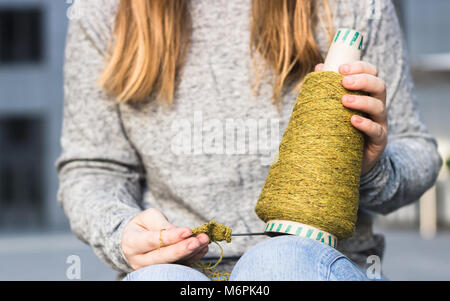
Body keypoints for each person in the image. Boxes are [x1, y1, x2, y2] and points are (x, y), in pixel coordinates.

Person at [57, 0, 442, 281]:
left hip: (316, 264)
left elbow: (419, 152)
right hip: (175, 270)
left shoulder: (353, 6)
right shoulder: (102, 12)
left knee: (279, 265)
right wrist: (121, 232)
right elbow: (93, 168)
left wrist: (370, 168)